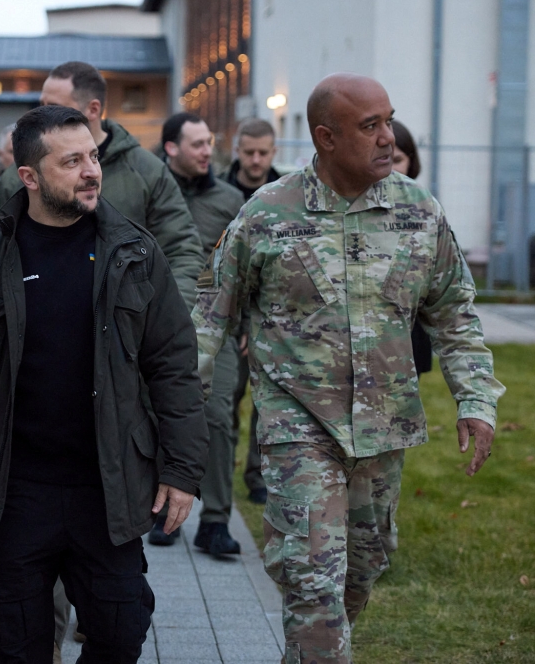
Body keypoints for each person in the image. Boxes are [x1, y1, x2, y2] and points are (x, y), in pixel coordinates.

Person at [192, 73, 505, 664]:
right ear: (325, 137)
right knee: (313, 584)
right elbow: (212, 313)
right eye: (371, 126)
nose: (388, 137)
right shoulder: (268, 214)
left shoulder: (418, 212)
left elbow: (454, 314)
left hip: (385, 430)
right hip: (298, 428)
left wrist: (475, 398)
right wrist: (180, 409)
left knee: (357, 575)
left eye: (389, 120)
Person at [0, 104, 208, 664]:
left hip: (110, 489)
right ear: (29, 177)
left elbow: (173, 366)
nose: (91, 171)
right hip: (15, 493)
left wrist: (182, 470)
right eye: (71, 161)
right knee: (19, 646)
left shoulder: (136, 254)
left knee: (120, 635)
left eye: (93, 156)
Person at [0, 61, 203, 308]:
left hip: (124, 329)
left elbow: (182, 251)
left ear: (93, 108)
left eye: (53, 105)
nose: (43, 113)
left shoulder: (146, 171)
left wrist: (157, 320)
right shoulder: (21, 175)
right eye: (42, 103)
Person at [150, 112, 244, 557]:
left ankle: (215, 521)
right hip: (153, 322)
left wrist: (246, 325)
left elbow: (248, 266)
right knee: (149, 414)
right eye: (197, 144)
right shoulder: (151, 191)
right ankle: (162, 511)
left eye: (209, 142)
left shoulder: (230, 199)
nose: (208, 151)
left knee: (218, 416)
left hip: (218, 323)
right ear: (171, 148)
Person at [223, 117, 282, 506]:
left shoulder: (285, 195)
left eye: (263, 152)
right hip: (228, 315)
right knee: (225, 398)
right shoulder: (220, 191)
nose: (256, 160)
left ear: (274, 152)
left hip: (273, 318)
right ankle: (219, 471)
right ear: (237, 150)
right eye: (249, 152)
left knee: (268, 405)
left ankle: (258, 477)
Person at [391, 120, 434, 377]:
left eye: (397, 160)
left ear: (410, 161)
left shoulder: (425, 208)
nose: (391, 168)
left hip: (411, 320)